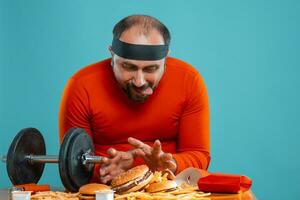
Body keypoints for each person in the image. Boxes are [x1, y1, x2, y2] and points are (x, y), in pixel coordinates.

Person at [59, 14, 210, 184]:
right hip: (104, 191)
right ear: (112, 56)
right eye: (128, 67)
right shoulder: (81, 86)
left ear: (165, 59)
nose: (139, 81)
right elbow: (71, 162)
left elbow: (199, 155)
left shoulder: (188, 80)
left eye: (151, 69)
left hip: (170, 189)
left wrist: (170, 164)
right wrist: (104, 170)